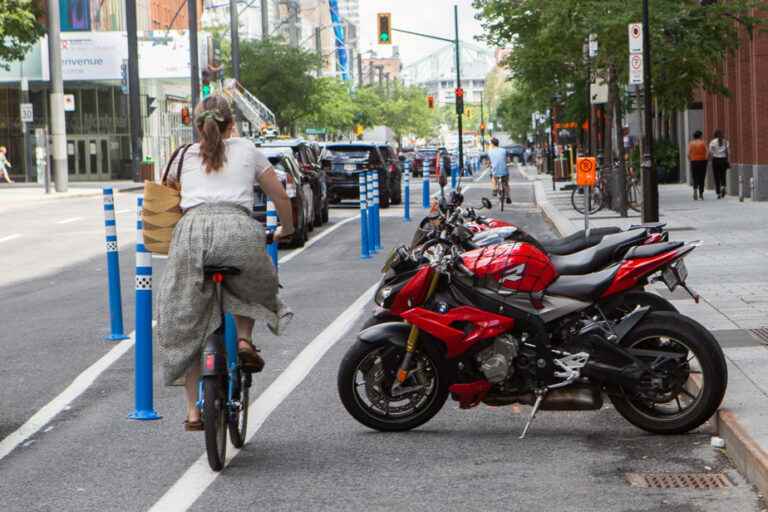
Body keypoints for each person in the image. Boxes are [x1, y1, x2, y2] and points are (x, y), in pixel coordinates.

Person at [156, 95, 294, 431]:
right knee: (253, 284)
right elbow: (279, 195)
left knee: (186, 322)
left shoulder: (182, 155)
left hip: (192, 235)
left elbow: (163, 200)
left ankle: (192, 411)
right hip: (239, 231)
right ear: (231, 124)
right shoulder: (247, 149)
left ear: (197, 124)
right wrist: (286, 229)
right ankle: (245, 340)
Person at [687, 130, 709, 200]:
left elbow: (688, 154)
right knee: (702, 177)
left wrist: (691, 159)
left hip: (694, 162)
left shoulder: (691, 143)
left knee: (695, 176)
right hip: (702, 161)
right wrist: (706, 159)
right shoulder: (703, 143)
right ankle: (701, 194)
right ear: (700, 136)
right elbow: (707, 152)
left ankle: (695, 189)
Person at [709, 129, 730, 199]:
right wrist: (727, 160)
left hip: (715, 160)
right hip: (723, 160)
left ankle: (718, 192)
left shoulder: (712, 142)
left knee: (716, 176)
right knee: (723, 175)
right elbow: (728, 152)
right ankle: (723, 186)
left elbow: (711, 152)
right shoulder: (726, 142)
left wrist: (713, 157)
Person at [489, 137, 510, 203]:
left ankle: (494, 189)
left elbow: (489, 162)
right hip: (504, 171)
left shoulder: (490, 152)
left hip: (495, 171)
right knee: (506, 183)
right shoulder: (504, 150)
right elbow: (508, 160)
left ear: (492, 144)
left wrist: (488, 165)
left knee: (493, 177)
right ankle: (508, 197)